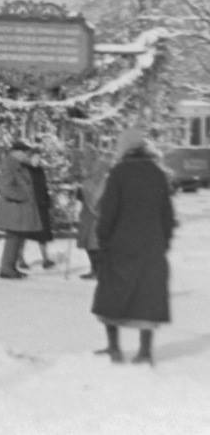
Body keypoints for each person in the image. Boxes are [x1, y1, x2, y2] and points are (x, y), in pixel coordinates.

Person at [91, 128, 176, 365]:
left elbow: (108, 212)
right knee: (148, 296)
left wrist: (103, 239)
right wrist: (164, 241)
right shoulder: (158, 173)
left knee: (111, 294)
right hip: (152, 245)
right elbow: (167, 214)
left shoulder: (118, 173)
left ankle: (114, 348)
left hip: (120, 244)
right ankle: (145, 352)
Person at [0, 141, 40, 279]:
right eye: (26, 153)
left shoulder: (18, 165)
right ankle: (7, 269)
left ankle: (11, 267)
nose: (27, 155)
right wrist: (23, 196)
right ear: (17, 153)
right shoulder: (10, 165)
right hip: (14, 208)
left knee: (17, 239)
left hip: (18, 209)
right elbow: (5, 187)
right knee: (13, 239)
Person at [75, 149, 110, 280]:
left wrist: (83, 191)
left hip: (95, 214)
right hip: (88, 214)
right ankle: (95, 269)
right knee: (90, 243)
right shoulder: (90, 176)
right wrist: (80, 192)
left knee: (93, 244)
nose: (83, 164)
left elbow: (96, 194)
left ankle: (97, 270)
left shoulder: (99, 175)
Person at [19, 148, 56, 270]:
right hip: (29, 207)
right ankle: (20, 259)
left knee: (42, 234)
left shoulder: (40, 171)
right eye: (35, 157)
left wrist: (47, 201)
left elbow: (44, 187)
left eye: (39, 158)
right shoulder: (24, 170)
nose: (37, 160)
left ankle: (45, 259)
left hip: (41, 206)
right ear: (29, 158)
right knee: (24, 234)